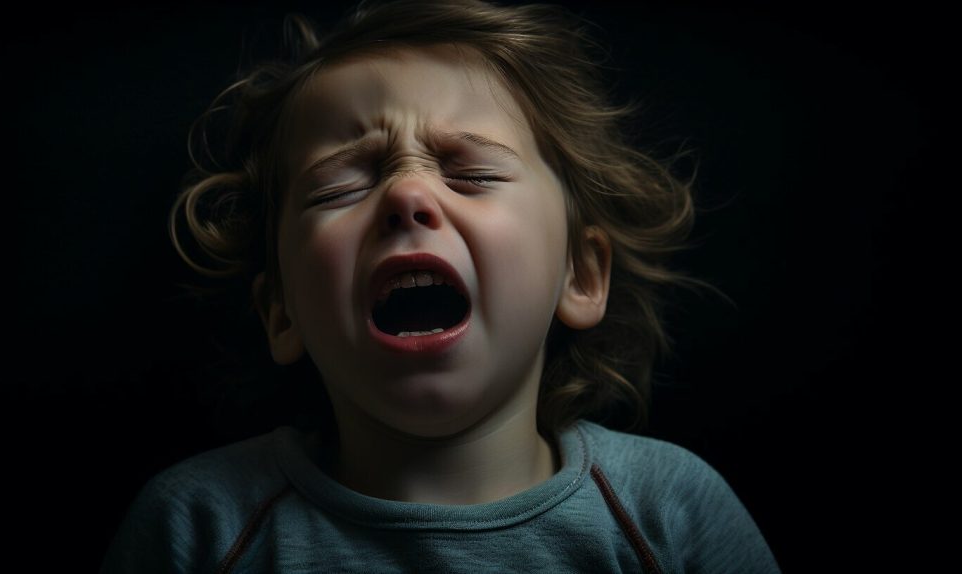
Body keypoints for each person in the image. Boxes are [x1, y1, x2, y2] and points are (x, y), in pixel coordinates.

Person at [101, 0, 782, 571]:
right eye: (342, 184)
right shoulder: (197, 526)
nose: (406, 194)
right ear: (282, 312)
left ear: (580, 274)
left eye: (472, 174)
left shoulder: (670, 511)